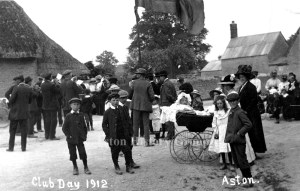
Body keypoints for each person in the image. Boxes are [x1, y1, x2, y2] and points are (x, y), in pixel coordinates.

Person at [235, 65, 267, 156]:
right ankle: (251, 152)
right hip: (246, 111)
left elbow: (254, 100)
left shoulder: (251, 87)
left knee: (254, 132)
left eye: (243, 77)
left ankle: (255, 151)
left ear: (247, 77)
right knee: (249, 132)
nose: (241, 79)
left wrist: (246, 110)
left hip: (252, 113)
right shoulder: (242, 87)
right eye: (240, 77)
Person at [225, 93, 254, 188]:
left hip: (238, 140)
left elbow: (248, 124)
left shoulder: (239, 112)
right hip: (233, 139)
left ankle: (249, 180)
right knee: (237, 160)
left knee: (242, 160)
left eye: (234, 101)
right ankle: (244, 177)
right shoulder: (232, 111)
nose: (232, 103)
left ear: (238, 101)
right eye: (230, 101)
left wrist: (240, 133)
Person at [102, 93, 135, 175]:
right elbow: (104, 125)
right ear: (110, 101)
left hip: (123, 134)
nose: (116, 102)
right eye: (113, 100)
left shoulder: (123, 109)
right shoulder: (107, 112)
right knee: (115, 151)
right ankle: (116, 166)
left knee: (127, 150)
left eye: (117, 100)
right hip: (114, 136)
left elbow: (128, 121)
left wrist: (130, 132)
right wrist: (108, 134)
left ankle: (128, 166)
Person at [62, 98, 91, 175]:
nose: (76, 106)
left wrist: (84, 135)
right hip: (71, 139)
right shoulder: (68, 116)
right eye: (74, 104)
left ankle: (86, 166)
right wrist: (69, 135)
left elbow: (84, 127)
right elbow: (64, 128)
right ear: (71, 105)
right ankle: (75, 167)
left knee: (82, 152)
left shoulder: (81, 115)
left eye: (78, 104)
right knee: (72, 153)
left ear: (80, 106)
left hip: (80, 138)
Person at [129, 68, 155, 146]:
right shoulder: (148, 83)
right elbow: (152, 96)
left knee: (135, 124)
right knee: (146, 124)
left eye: (137, 74)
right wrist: (150, 100)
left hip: (135, 105)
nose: (136, 75)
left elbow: (131, 91)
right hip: (145, 105)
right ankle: (147, 142)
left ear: (140, 75)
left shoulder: (134, 83)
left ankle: (134, 141)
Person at [7, 75, 32, 152]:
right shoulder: (28, 88)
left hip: (15, 113)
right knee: (24, 131)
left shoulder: (16, 88)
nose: (15, 81)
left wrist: (10, 104)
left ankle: (11, 148)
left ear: (19, 80)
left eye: (16, 80)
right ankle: (23, 148)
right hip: (24, 113)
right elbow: (30, 101)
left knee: (12, 130)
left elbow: (12, 99)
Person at [208, 95, 234, 170]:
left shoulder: (228, 111)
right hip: (219, 131)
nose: (219, 105)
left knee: (228, 148)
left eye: (221, 103)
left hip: (227, 131)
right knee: (221, 148)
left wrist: (230, 129)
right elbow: (214, 123)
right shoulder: (216, 113)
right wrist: (216, 130)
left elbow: (230, 121)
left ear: (224, 104)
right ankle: (223, 163)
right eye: (218, 104)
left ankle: (231, 164)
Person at [118, 90, 140, 169]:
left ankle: (130, 161)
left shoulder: (126, 107)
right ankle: (129, 162)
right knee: (125, 147)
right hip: (121, 131)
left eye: (125, 97)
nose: (124, 99)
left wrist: (131, 130)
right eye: (122, 98)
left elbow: (129, 120)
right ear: (119, 98)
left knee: (129, 146)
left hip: (127, 130)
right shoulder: (117, 108)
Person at [41, 73, 61, 140]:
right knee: (54, 120)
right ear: (50, 78)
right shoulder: (51, 85)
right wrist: (57, 84)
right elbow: (58, 91)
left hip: (45, 105)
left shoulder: (42, 84)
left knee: (47, 120)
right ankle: (52, 135)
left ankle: (47, 135)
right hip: (52, 105)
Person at [159, 70, 177, 140]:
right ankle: (172, 135)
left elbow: (168, 94)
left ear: (163, 77)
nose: (159, 78)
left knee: (168, 121)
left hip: (166, 104)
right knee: (170, 120)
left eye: (160, 77)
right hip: (169, 103)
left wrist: (172, 100)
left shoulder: (165, 84)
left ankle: (170, 135)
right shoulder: (169, 83)